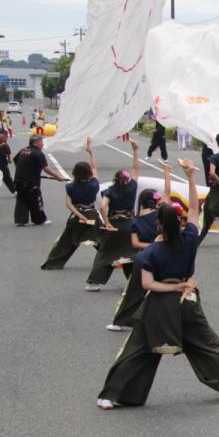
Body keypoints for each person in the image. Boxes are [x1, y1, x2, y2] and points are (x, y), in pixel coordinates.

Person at [96, 159, 219, 409]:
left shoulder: (150, 253)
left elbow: (148, 285)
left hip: (158, 307)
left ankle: (110, 396)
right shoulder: (189, 237)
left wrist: (170, 287)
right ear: (179, 222)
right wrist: (190, 177)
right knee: (207, 344)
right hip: (187, 302)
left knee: (138, 350)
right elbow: (194, 210)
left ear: (158, 224)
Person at [107, 163, 173, 332]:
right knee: (168, 288)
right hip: (164, 257)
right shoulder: (161, 212)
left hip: (144, 258)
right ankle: (169, 322)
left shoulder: (135, 221)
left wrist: (151, 246)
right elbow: (167, 192)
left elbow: (135, 244)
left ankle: (121, 321)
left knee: (133, 292)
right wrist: (167, 173)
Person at [86, 140, 141, 291]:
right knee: (132, 253)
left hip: (114, 225)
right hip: (130, 224)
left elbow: (103, 206)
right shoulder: (133, 187)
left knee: (106, 253)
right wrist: (135, 151)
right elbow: (136, 168)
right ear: (128, 180)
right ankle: (134, 282)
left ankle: (93, 283)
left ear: (115, 179)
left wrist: (107, 222)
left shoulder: (110, 190)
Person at [41, 139, 103, 270]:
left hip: (77, 216)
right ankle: (110, 259)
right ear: (89, 173)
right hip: (92, 214)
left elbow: (68, 204)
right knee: (102, 239)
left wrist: (79, 216)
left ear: (74, 172)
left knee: (66, 241)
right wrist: (91, 152)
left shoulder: (71, 186)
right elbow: (94, 167)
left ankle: (52, 263)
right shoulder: (94, 184)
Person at [13, 134, 64, 226]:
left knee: (21, 200)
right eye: (41, 142)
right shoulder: (38, 153)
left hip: (19, 180)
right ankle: (39, 220)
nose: (43, 144)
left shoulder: (23, 150)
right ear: (36, 143)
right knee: (36, 200)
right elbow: (45, 168)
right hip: (30, 182)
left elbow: (15, 160)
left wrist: (23, 170)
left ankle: (20, 220)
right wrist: (57, 176)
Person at [0, 128, 15, 196]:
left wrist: (10, 159)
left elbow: (9, 152)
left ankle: (14, 191)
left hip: (3, 163)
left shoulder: (5, 144)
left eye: (4, 135)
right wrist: (1, 145)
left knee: (7, 178)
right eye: (2, 134)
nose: (3, 136)